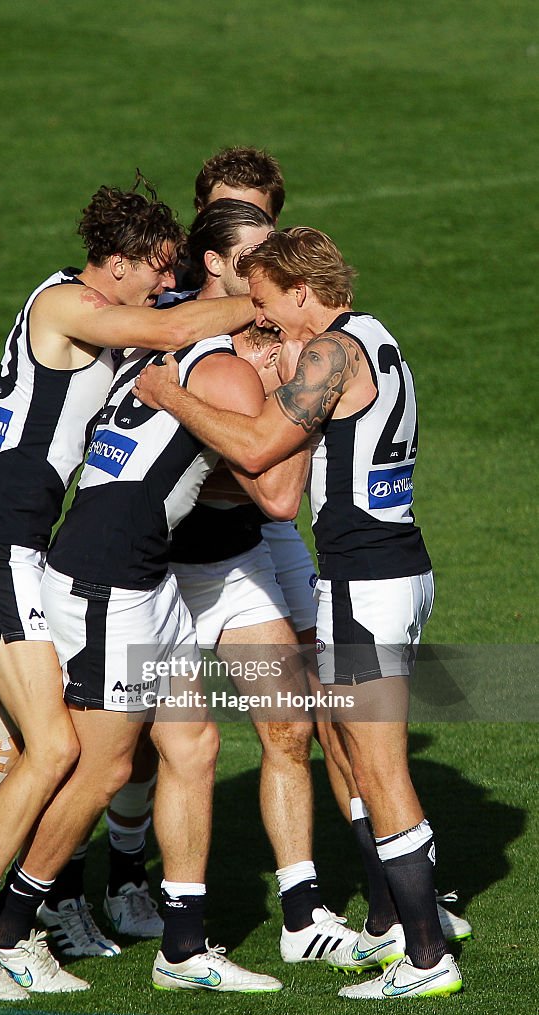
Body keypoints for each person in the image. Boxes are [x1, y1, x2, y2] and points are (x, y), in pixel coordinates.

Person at [0, 178, 258, 1001]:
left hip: (6, 551)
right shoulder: (67, 305)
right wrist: (269, 304)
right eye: (157, 267)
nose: (165, 280)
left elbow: (167, 312)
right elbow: (176, 323)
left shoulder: (94, 303)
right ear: (122, 262)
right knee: (57, 749)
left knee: (4, 752)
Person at [132, 226, 464, 1000]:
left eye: (268, 302)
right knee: (357, 748)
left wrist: (170, 393)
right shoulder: (375, 338)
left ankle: (423, 957)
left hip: (361, 586)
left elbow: (255, 451)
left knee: (378, 769)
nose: (262, 316)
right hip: (400, 570)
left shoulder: (329, 353)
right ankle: (397, 930)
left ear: (302, 293)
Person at [0, 258, 311, 993]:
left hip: (140, 574)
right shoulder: (226, 373)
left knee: (192, 745)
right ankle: (6, 933)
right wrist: (306, 412)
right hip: (107, 582)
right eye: (285, 348)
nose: (291, 365)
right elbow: (277, 487)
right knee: (100, 769)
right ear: (258, 332)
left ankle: (183, 949)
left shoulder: (160, 351)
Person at [166, 201, 360, 962]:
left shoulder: (287, 353)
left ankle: (302, 914)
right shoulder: (211, 356)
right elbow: (275, 484)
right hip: (158, 576)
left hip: (237, 563)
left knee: (288, 726)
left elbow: (273, 499)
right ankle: (74, 893)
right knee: (131, 755)